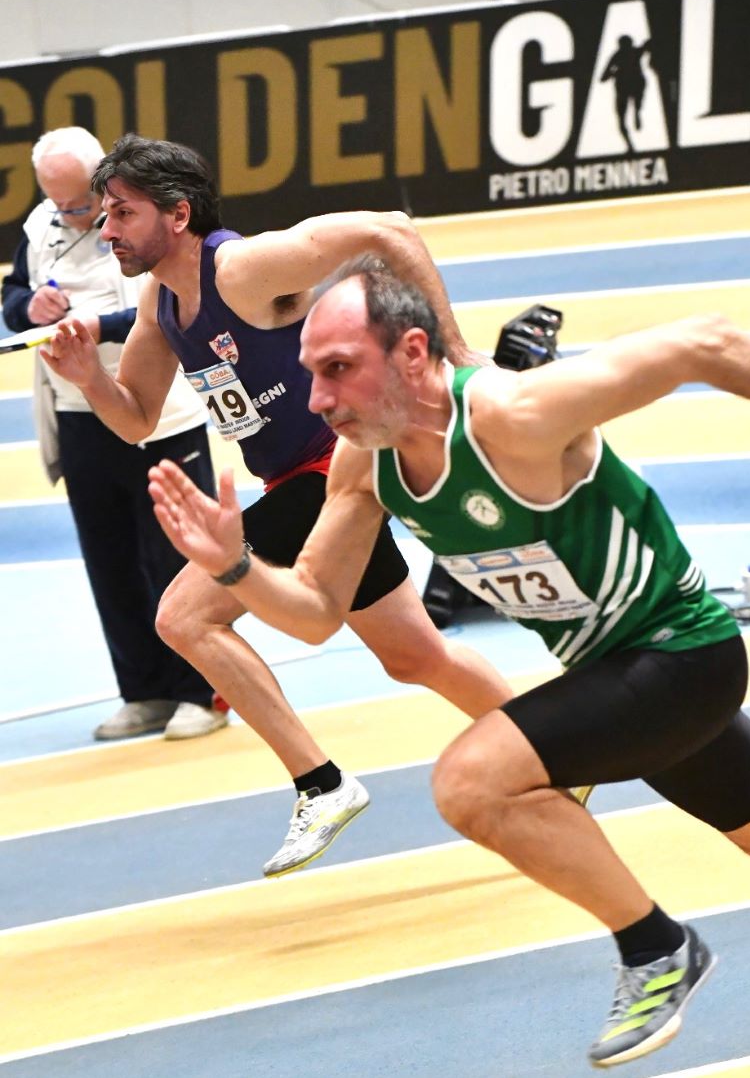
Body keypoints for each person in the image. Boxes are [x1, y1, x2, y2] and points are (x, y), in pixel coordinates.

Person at [146, 258, 750, 1069]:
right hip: (615, 676)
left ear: (412, 352)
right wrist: (237, 566)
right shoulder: (365, 465)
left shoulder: (512, 414)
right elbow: (313, 608)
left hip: (682, 654)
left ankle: (656, 948)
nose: (317, 398)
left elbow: (713, 341)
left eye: (339, 368)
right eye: (312, 372)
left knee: (471, 781)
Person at [41, 134, 514, 879]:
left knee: (183, 616)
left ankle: (322, 784)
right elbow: (135, 418)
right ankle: (551, 743)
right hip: (295, 480)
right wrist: (87, 377)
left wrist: (456, 353)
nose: (107, 231)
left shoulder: (242, 268)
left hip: (336, 468)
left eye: (122, 213)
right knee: (415, 655)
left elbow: (391, 229)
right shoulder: (161, 300)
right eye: (104, 215)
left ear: (178, 214)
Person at [1, 126, 221, 742]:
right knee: (110, 561)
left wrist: (95, 326)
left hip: (163, 418)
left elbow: (171, 300)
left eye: (81, 204)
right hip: (79, 413)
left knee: (178, 558)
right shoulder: (40, 225)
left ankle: (202, 692)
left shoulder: (145, 226)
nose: (72, 216)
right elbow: (13, 294)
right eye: (59, 203)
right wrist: (29, 309)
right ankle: (144, 691)